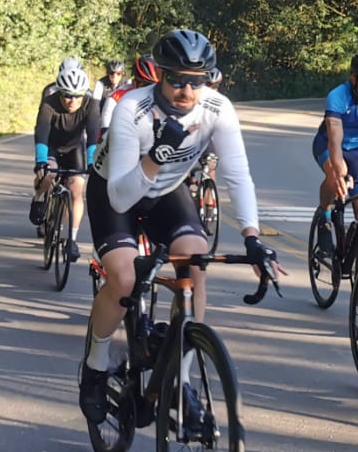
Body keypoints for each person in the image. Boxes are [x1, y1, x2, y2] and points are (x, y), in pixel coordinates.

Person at [78, 29, 271, 423]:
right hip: (117, 190)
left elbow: (237, 174)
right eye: (177, 79)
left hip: (166, 192)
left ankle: (180, 382)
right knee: (126, 280)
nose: (187, 89)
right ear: (160, 75)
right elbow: (120, 197)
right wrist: (157, 156)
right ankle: (95, 368)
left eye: (196, 80)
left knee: (195, 263)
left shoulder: (217, 109)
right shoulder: (133, 107)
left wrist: (252, 236)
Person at [311, 52, 358, 256]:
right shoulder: (338, 96)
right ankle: (325, 218)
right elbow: (335, 140)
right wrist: (340, 172)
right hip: (329, 144)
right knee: (335, 176)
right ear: (353, 79)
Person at [28, 62, 102, 261]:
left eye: (77, 96)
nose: (72, 100)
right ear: (60, 93)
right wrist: (41, 161)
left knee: (77, 187)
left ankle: (72, 239)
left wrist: (91, 163)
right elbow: (41, 133)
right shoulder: (49, 103)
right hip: (51, 146)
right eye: (67, 95)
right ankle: (39, 198)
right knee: (48, 173)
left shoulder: (91, 104)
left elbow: (93, 134)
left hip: (74, 148)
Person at [100, 54, 158, 139]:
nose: (149, 90)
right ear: (134, 82)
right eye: (144, 85)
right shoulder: (116, 97)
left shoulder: (161, 95)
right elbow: (106, 127)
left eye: (154, 86)